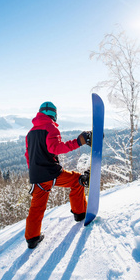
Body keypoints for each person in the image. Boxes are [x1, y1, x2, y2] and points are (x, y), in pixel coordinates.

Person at [24, 101, 91, 249]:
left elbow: (28, 156)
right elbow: (56, 148)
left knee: (36, 207)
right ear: (54, 114)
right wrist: (79, 141)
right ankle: (80, 214)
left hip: (37, 178)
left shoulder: (30, 133)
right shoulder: (50, 127)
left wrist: (34, 173)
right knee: (76, 180)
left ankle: (32, 238)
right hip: (51, 173)